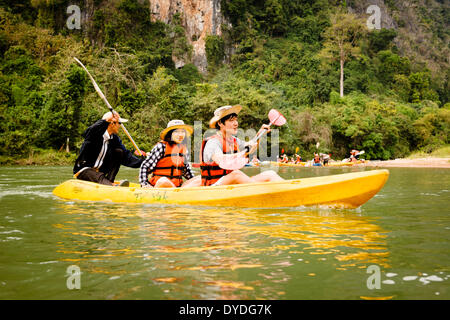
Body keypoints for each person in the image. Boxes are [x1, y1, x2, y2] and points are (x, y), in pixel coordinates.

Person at [199, 105, 284, 186]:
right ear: (220, 123)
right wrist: (243, 153)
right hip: (214, 187)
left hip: (230, 185)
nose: (236, 123)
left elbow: (251, 146)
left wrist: (260, 133)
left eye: (236, 120)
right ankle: (261, 192)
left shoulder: (234, 140)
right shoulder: (213, 142)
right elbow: (221, 160)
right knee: (236, 174)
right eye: (231, 121)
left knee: (270, 174)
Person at [73, 111, 145, 186]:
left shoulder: (114, 139)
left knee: (119, 152)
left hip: (100, 172)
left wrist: (143, 162)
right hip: (84, 170)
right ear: (112, 123)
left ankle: (110, 180)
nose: (120, 126)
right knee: (97, 176)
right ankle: (111, 185)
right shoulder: (95, 134)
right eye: (119, 123)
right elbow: (88, 132)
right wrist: (106, 121)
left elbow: (126, 156)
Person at [139, 120, 200, 188]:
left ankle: (180, 193)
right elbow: (145, 166)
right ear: (170, 134)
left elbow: (187, 171)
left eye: (182, 132)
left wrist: (195, 182)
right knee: (163, 181)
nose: (180, 135)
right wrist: (144, 184)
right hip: (160, 184)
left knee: (201, 178)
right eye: (176, 132)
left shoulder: (184, 149)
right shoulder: (161, 147)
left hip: (177, 187)